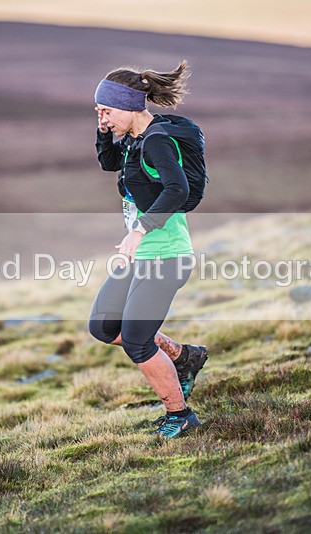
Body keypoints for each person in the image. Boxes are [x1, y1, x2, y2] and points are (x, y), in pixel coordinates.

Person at [88, 60, 209, 438]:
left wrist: (138, 231)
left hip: (166, 256)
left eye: (107, 110)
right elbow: (109, 163)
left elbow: (178, 190)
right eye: (99, 111)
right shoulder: (133, 141)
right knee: (104, 326)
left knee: (137, 341)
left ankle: (180, 414)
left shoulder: (156, 140)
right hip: (140, 257)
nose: (103, 117)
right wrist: (104, 127)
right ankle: (184, 357)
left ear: (128, 105)